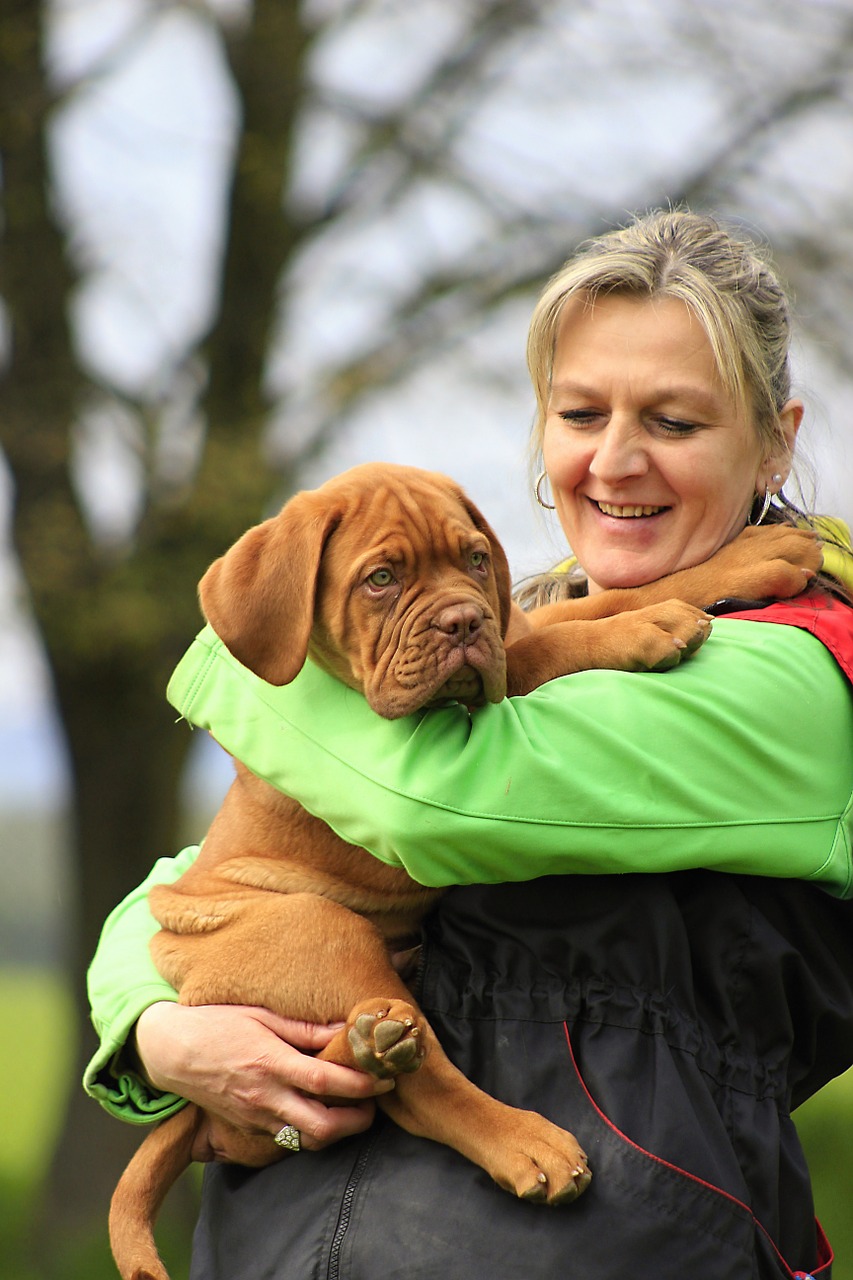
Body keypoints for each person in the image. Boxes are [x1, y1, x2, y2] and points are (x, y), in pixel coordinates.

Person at [85, 209, 853, 1279]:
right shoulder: (522, 625)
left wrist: (227, 664)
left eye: (674, 421)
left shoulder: (795, 674)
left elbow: (426, 804)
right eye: (581, 410)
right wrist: (160, 1034)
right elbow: (179, 891)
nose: (616, 457)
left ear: (775, 437)